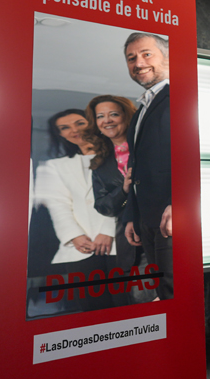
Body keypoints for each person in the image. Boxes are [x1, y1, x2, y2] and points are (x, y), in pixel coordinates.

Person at [34, 108, 116, 311]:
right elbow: (58, 205)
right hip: (81, 248)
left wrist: (108, 230)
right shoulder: (56, 166)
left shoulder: (119, 156)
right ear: (60, 134)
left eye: (79, 123)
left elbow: (126, 196)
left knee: (124, 303)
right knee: (90, 308)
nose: (74, 130)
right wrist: (74, 236)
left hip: (118, 242)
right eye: (65, 128)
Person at [121, 33, 173, 300]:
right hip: (147, 219)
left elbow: (190, 154)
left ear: (168, 56)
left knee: (174, 291)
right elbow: (136, 168)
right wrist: (133, 215)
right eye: (131, 58)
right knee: (162, 290)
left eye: (146, 54)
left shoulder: (181, 95)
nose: (138, 63)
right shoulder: (141, 109)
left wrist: (178, 202)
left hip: (172, 217)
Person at [83, 94, 151, 301]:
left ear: (126, 116)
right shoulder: (100, 164)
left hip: (161, 232)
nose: (107, 120)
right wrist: (123, 190)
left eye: (113, 114)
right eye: (100, 116)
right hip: (130, 242)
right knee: (139, 299)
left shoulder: (149, 148)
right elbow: (103, 206)